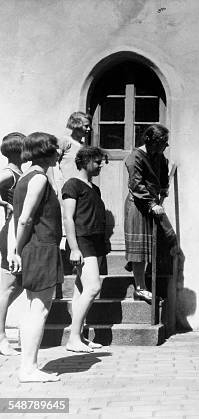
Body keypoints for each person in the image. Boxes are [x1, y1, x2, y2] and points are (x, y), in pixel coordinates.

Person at [13, 132, 63, 382]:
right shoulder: (39, 178)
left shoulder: (25, 176)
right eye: (55, 149)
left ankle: (28, 365)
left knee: (33, 308)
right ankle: (29, 369)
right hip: (41, 247)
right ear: (44, 152)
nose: (58, 153)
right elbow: (25, 218)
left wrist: (18, 249)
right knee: (39, 310)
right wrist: (15, 250)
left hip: (35, 247)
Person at [124, 124, 178, 304]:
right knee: (139, 248)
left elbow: (163, 170)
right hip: (139, 205)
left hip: (152, 204)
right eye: (164, 143)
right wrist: (151, 203)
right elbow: (136, 184)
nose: (166, 146)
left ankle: (149, 284)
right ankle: (140, 288)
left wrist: (163, 187)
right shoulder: (135, 157)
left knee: (162, 240)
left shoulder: (158, 155)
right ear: (153, 142)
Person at [62, 146, 108, 352]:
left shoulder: (94, 188)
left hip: (97, 242)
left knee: (82, 289)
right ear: (86, 161)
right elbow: (68, 218)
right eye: (97, 162)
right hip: (82, 241)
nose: (100, 166)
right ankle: (73, 338)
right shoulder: (72, 185)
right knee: (93, 287)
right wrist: (73, 247)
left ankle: (79, 336)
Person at [0, 132, 25, 356]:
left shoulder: (18, 172)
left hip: (19, 231)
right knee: (7, 288)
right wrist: (4, 204)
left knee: (16, 284)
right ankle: (1, 338)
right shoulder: (9, 173)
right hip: (12, 233)